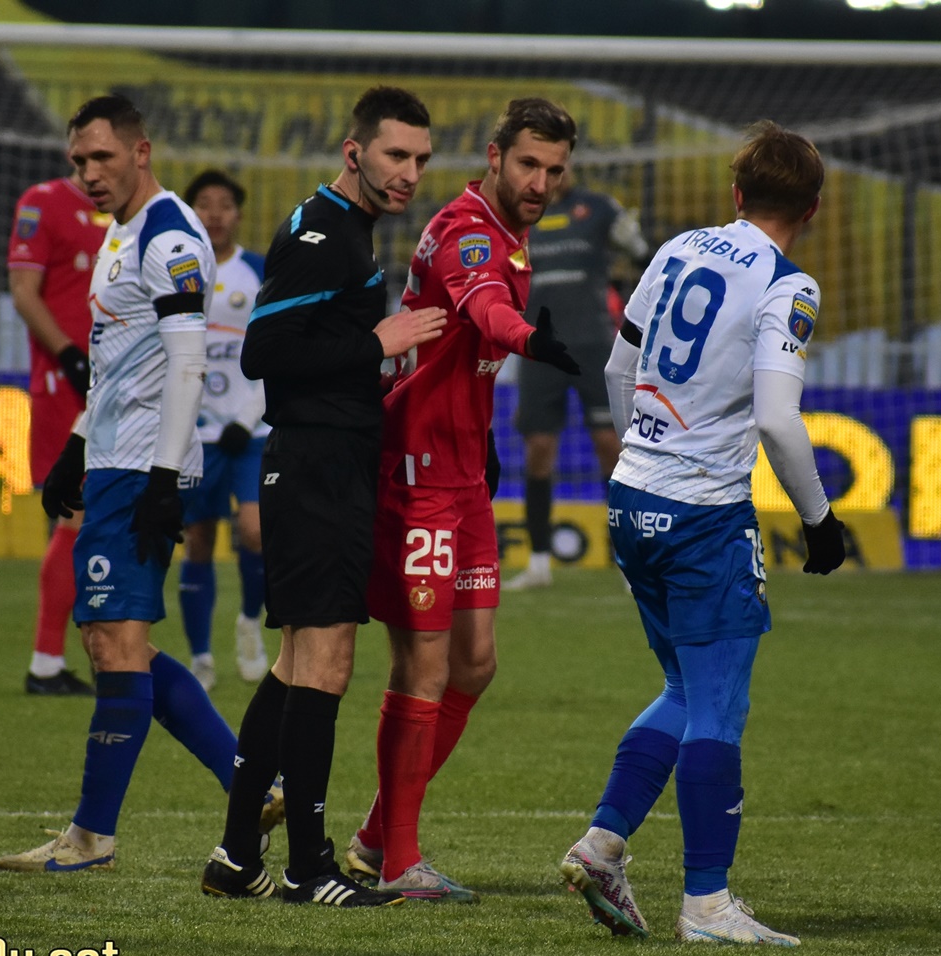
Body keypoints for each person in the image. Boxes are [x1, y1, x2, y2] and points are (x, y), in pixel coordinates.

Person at [557, 121, 847, 945]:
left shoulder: (678, 248)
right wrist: (820, 521)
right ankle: (708, 907)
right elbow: (779, 421)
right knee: (718, 703)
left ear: (736, 193)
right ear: (812, 209)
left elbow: (618, 368)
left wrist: (644, 457)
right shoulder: (789, 285)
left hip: (632, 498)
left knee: (684, 688)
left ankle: (602, 846)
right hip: (702, 515)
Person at [0, 95, 260, 873]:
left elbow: (187, 361)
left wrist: (164, 479)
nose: (89, 173)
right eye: (78, 160)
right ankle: (252, 783)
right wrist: (77, 447)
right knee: (117, 641)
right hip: (112, 459)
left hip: (143, 464)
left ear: (141, 152)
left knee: (115, 644)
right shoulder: (120, 232)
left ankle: (91, 837)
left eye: (102, 157)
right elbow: (116, 366)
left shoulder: (170, 234)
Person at [201, 87, 446, 908]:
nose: (409, 172)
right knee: (326, 665)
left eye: (420, 159)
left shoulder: (348, 228)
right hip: (315, 469)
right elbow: (263, 353)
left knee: (295, 664)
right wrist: (376, 342)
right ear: (354, 152)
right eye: (395, 155)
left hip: (323, 464)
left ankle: (238, 857)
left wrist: (374, 363)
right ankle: (309, 868)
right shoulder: (322, 233)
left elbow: (314, 347)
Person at [341, 98, 582, 901]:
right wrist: (531, 340)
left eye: (554, 170)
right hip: (415, 474)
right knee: (424, 664)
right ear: (493, 156)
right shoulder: (468, 230)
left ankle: (376, 839)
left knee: (474, 665)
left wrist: (480, 438)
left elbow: (462, 338)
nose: (540, 182)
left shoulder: (508, 230)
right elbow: (485, 307)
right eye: (528, 165)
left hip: (463, 472)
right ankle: (397, 861)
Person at [504, 172, 648, 590]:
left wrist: (637, 246)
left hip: (593, 346)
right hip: (539, 347)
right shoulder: (518, 218)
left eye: (558, 166)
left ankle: (628, 562)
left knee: (611, 448)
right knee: (538, 449)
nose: (551, 175)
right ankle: (538, 563)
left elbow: (646, 262)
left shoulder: (599, 209)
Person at [8, 144, 110, 695]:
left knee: (102, 518)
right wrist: (70, 355)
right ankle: (49, 662)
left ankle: (92, 652)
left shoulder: (136, 212)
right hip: (65, 384)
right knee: (75, 517)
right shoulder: (43, 202)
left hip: (117, 384)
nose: (94, 164)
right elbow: (23, 292)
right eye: (85, 151)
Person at [175, 169, 269, 689]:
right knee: (199, 540)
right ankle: (201, 657)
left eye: (225, 205)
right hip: (195, 435)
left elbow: (277, 350)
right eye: (204, 204)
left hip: (249, 432)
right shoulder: (175, 270)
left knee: (255, 530)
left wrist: (245, 418)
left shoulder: (257, 271)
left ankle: (250, 623)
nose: (214, 214)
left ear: (238, 214)